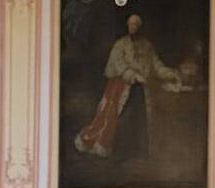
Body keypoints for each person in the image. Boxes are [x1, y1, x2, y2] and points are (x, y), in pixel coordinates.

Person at [74, 14, 181, 160]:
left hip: (141, 90)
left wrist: (170, 73)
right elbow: (119, 64)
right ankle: (120, 153)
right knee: (118, 118)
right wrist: (133, 75)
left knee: (140, 121)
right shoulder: (120, 44)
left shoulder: (147, 46)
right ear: (127, 26)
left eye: (136, 25)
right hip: (121, 88)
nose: (133, 28)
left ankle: (139, 152)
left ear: (140, 27)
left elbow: (156, 66)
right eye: (131, 25)